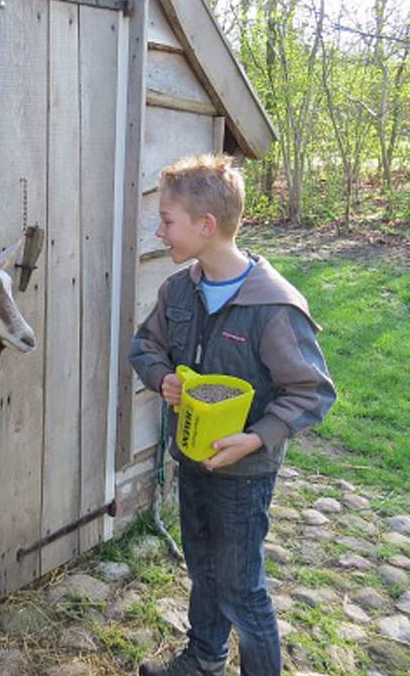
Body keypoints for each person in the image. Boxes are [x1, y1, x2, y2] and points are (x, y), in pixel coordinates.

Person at [129, 153, 336, 676]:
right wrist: (162, 377)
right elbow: (144, 347)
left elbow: (311, 391)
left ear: (205, 226)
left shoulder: (274, 307)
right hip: (192, 460)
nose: (159, 231)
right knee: (203, 568)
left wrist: (257, 437)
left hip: (244, 475)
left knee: (241, 588)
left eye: (167, 220)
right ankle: (204, 660)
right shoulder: (178, 290)